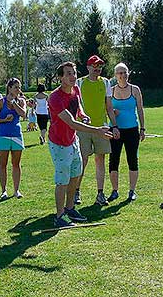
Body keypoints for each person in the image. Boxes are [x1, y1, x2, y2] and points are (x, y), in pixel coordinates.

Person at [48, 62, 112, 227]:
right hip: (60, 143)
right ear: (60, 77)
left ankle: (70, 208)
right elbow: (71, 122)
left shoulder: (75, 89)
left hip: (73, 140)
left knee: (75, 175)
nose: (72, 77)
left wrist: (83, 115)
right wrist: (96, 130)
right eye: (68, 73)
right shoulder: (54, 98)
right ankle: (60, 216)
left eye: (74, 73)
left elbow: (78, 108)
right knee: (62, 180)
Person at [74, 55, 120, 206]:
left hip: (102, 127)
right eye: (94, 66)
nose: (97, 69)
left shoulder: (106, 82)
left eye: (99, 66)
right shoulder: (79, 82)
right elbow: (76, 105)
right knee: (83, 160)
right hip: (84, 128)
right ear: (88, 67)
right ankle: (76, 191)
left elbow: (108, 106)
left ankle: (100, 194)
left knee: (100, 160)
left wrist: (114, 126)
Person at [108, 62, 145, 202]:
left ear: (128, 74)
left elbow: (140, 110)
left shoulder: (135, 90)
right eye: (119, 73)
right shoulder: (110, 91)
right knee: (114, 160)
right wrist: (112, 114)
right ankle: (114, 190)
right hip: (115, 130)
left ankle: (132, 191)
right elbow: (107, 110)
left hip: (132, 130)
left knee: (132, 159)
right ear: (115, 75)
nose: (122, 75)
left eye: (124, 72)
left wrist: (142, 128)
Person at [0, 78, 26, 200]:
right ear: (9, 88)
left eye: (19, 87)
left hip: (16, 135)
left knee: (16, 164)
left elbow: (23, 114)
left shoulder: (21, 101)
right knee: (3, 163)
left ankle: (16, 190)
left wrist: (14, 103)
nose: (18, 89)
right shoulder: (1, 102)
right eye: (16, 87)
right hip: (3, 135)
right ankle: (3, 190)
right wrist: (4, 120)